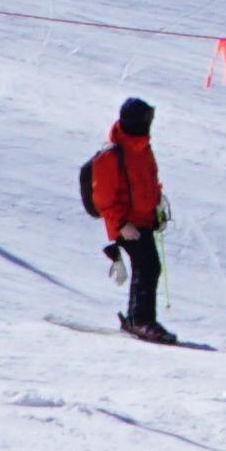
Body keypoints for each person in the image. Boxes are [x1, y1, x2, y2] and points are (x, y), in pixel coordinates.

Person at [80, 97, 170, 344]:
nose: (149, 123)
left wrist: (157, 204)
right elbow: (104, 197)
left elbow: (149, 179)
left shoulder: (143, 148)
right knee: (147, 265)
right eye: (146, 119)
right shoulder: (112, 155)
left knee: (149, 266)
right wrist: (120, 224)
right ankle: (141, 321)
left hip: (143, 219)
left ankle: (137, 319)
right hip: (126, 224)